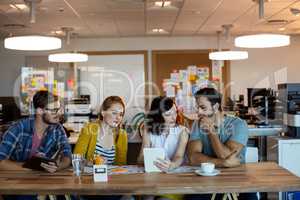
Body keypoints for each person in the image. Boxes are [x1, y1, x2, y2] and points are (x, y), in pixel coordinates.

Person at [0, 90, 72, 200]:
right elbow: (1, 162)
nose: (59, 114)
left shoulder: (57, 128)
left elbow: (67, 156)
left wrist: (58, 166)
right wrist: (31, 168)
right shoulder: (18, 128)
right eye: (54, 110)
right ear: (39, 111)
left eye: (59, 109)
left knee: (71, 195)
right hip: (17, 183)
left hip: (44, 182)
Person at [186, 87, 256, 200]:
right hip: (206, 180)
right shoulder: (197, 124)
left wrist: (211, 132)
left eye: (203, 107)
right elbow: (193, 157)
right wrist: (223, 163)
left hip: (236, 180)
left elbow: (226, 155)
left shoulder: (238, 124)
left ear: (216, 107)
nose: (198, 112)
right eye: (197, 107)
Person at [137, 96, 189, 200]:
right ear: (158, 116)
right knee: (147, 197)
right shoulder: (148, 130)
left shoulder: (182, 132)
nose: (173, 117)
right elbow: (140, 158)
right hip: (152, 179)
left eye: (175, 112)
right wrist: (147, 160)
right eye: (168, 114)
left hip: (176, 179)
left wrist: (172, 165)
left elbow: (179, 156)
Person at [74, 96, 127, 165]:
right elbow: (77, 159)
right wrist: (94, 162)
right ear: (103, 113)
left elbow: (121, 165)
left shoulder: (122, 135)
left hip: (112, 175)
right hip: (90, 175)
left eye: (121, 114)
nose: (118, 117)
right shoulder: (88, 129)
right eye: (114, 113)